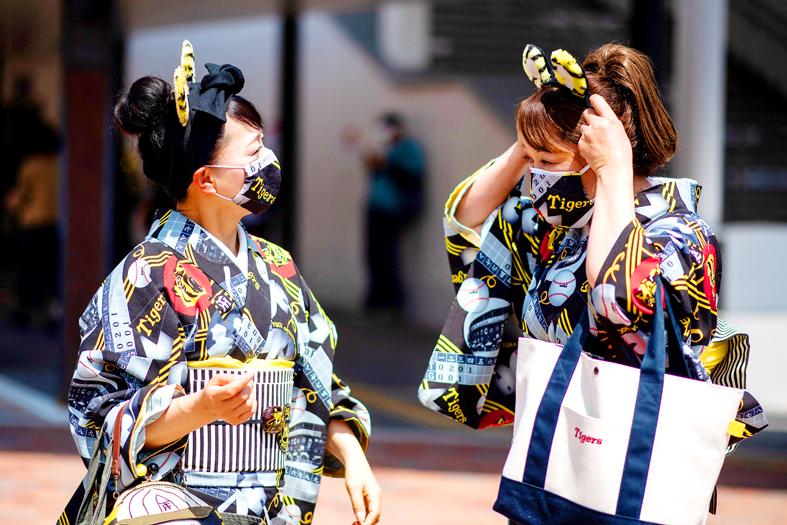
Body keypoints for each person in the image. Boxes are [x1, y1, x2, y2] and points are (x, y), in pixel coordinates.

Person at [60, 41, 381, 525]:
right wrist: (201, 407)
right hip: (179, 507)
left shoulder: (277, 265)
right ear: (206, 180)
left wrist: (352, 456)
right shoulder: (147, 274)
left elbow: (315, 384)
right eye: (254, 152)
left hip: (270, 510)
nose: (267, 161)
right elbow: (98, 417)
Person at [419, 43, 762, 466]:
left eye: (547, 160)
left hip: (636, 473)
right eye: (531, 160)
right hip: (552, 460)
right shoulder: (555, 231)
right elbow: (466, 223)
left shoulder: (680, 233)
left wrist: (614, 166)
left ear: (597, 153)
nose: (535, 175)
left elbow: (617, 297)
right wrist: (532, 137)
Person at [362, 112, 425, 314]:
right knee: (374, 255)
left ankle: (393, 302)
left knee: (389, 256)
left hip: (393, 210)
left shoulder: (408, 148)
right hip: (376, 207)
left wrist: (386, 165)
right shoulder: (385, 148)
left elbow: (411, 176)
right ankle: (375, 299)